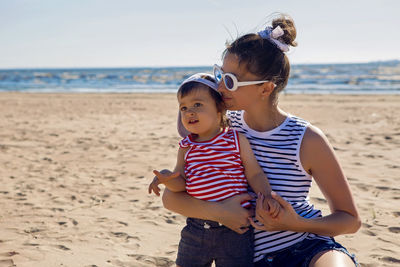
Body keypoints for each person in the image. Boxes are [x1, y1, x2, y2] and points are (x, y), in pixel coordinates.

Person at [162, 14, 361, 267]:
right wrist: (220, 213)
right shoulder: (221, 130)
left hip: (308, 246)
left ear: (265, 89)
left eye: (231, 80)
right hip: (249, 259)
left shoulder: (307, 139)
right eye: (220, 75)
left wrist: (294, 223)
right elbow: (171, 199)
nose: (220, 87)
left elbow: (350, 219)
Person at [148, 73, 280, 266]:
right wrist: (168, 179)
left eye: (197, 105)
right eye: (183, 108)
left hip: (235, 232)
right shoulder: (186, 146)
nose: (189, 112)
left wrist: (267, 196)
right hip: (196, 227)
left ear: (219, 109)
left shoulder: (235, 139)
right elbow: (181, 183)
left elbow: (255, 173)